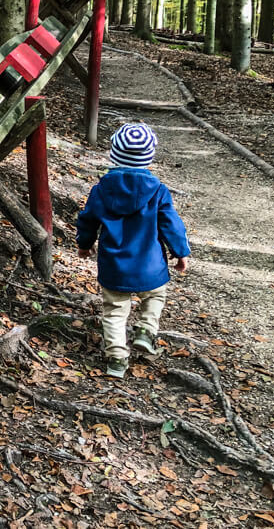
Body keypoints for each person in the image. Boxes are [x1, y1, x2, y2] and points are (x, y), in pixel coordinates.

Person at [76, 123, 191, 378]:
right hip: (150, 265)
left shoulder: (102, 189)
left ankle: (116, 359)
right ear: (149, 157)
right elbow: (170, 223)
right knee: (155, 296)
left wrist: (84, 245)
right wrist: (180, 251)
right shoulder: (158, 191)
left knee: (115, 311)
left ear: (113, 154)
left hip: (115, 266)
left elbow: (87, 220)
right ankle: (145, 331)